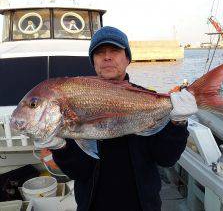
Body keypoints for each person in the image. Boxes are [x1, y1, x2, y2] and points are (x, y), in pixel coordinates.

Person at [51, 26, 198, 211]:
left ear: (128, 58)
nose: (107, 57)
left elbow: (166, 158)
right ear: (93, 62)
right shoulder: (76, 101)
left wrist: (178, 124)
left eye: (115, 50)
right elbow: (78, 171)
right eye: (99, 53)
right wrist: (60, 148)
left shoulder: (148, 98)